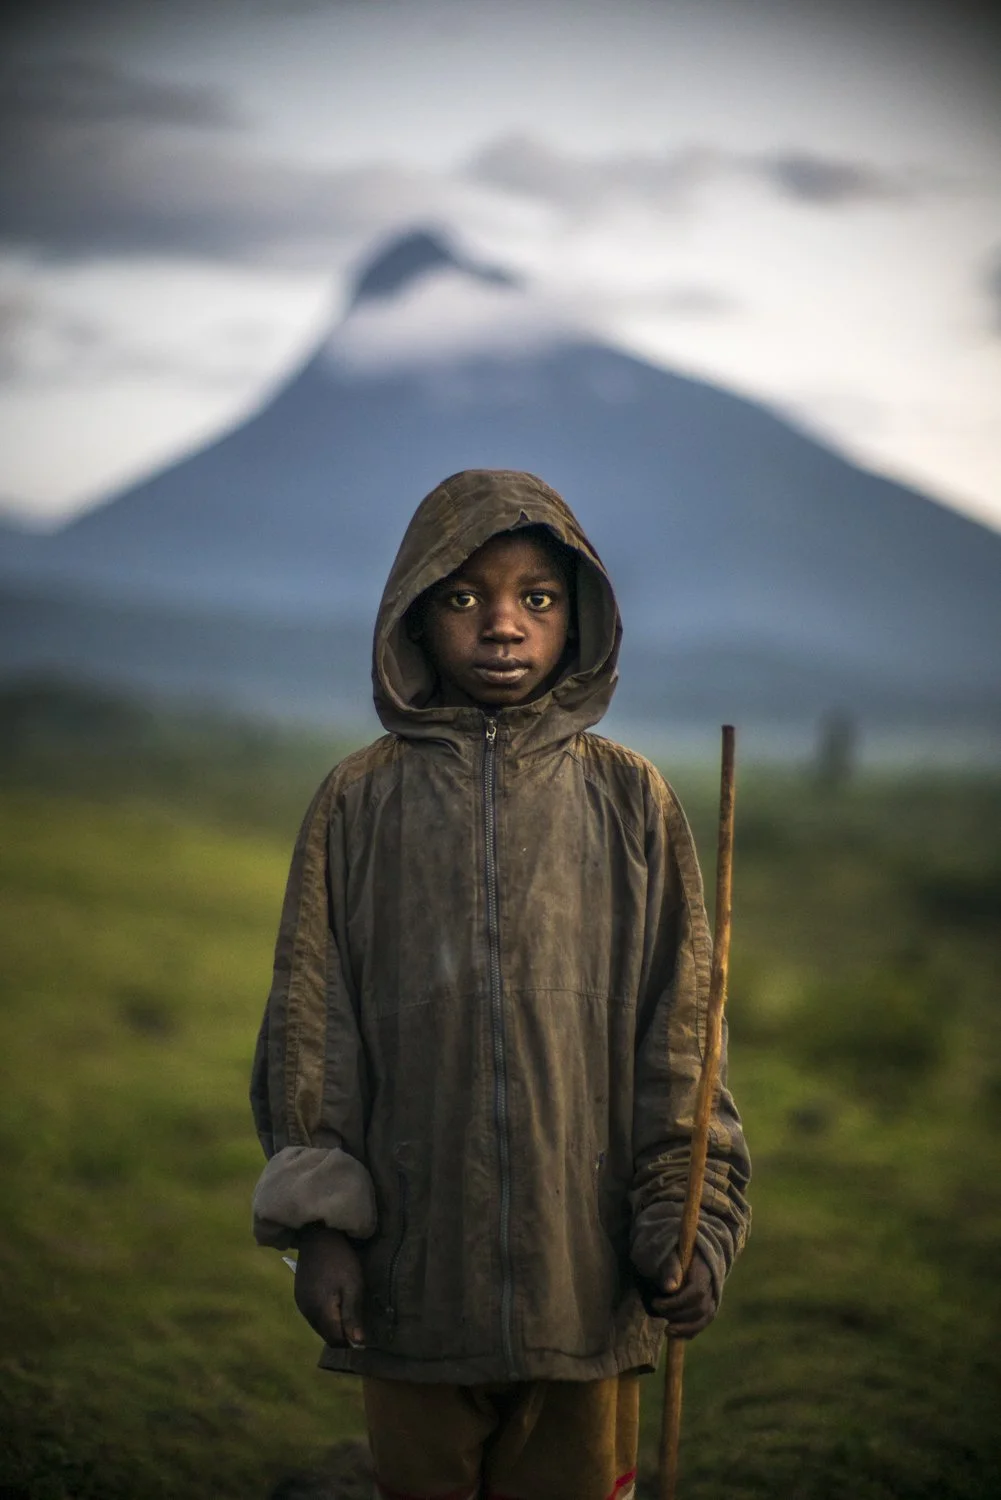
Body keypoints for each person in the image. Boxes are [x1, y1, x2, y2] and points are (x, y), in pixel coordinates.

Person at [250, 468, 751, 1500]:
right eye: (463, 596)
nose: (503, 628)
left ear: (580, 617)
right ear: (412, 616)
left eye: (537, 598)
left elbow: (682, 1034)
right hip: (410, 1281)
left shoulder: (629, 799)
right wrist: (320, 1226)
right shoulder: (358, 802)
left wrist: (685, 1219)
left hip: (586, 1275)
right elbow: (312, 1023)